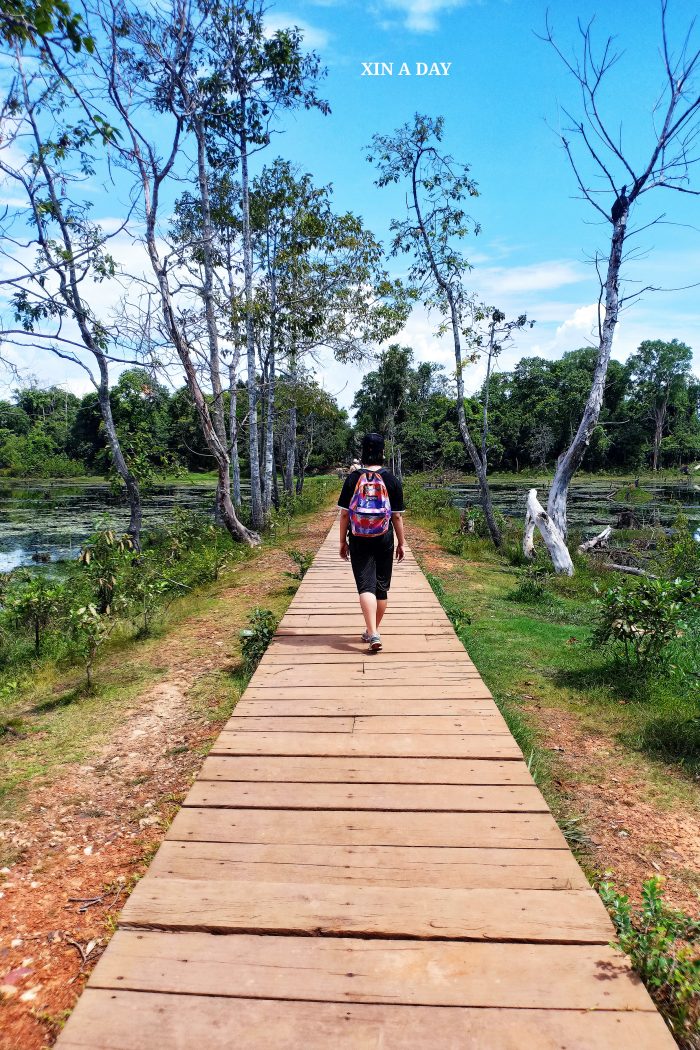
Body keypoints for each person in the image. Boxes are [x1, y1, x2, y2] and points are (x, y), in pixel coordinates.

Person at [337, 432, 405, 651]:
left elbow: (345, 515)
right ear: (383, 452)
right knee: (381, 588)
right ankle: (372, 631)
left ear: (363, 452)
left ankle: (373, 632)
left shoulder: (353, 478)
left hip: (358, 537)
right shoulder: (391, 479)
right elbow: (396, 516)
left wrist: (342, 541)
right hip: (384, 537)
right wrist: (401, 543)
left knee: (366, 586)